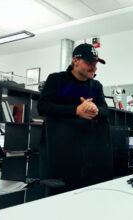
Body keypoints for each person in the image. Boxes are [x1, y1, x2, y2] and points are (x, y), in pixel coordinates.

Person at [37, 43, 110, 192]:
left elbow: (105, 111)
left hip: (85, 149)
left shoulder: (96, 86)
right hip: (56, 149)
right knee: (56, 194)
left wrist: (95, 109)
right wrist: (76, 110)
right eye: (90, 63)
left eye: (96, 64)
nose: (94, 68)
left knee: (84, 191)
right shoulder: (56, 79)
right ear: (75, 61)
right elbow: (43, 107)